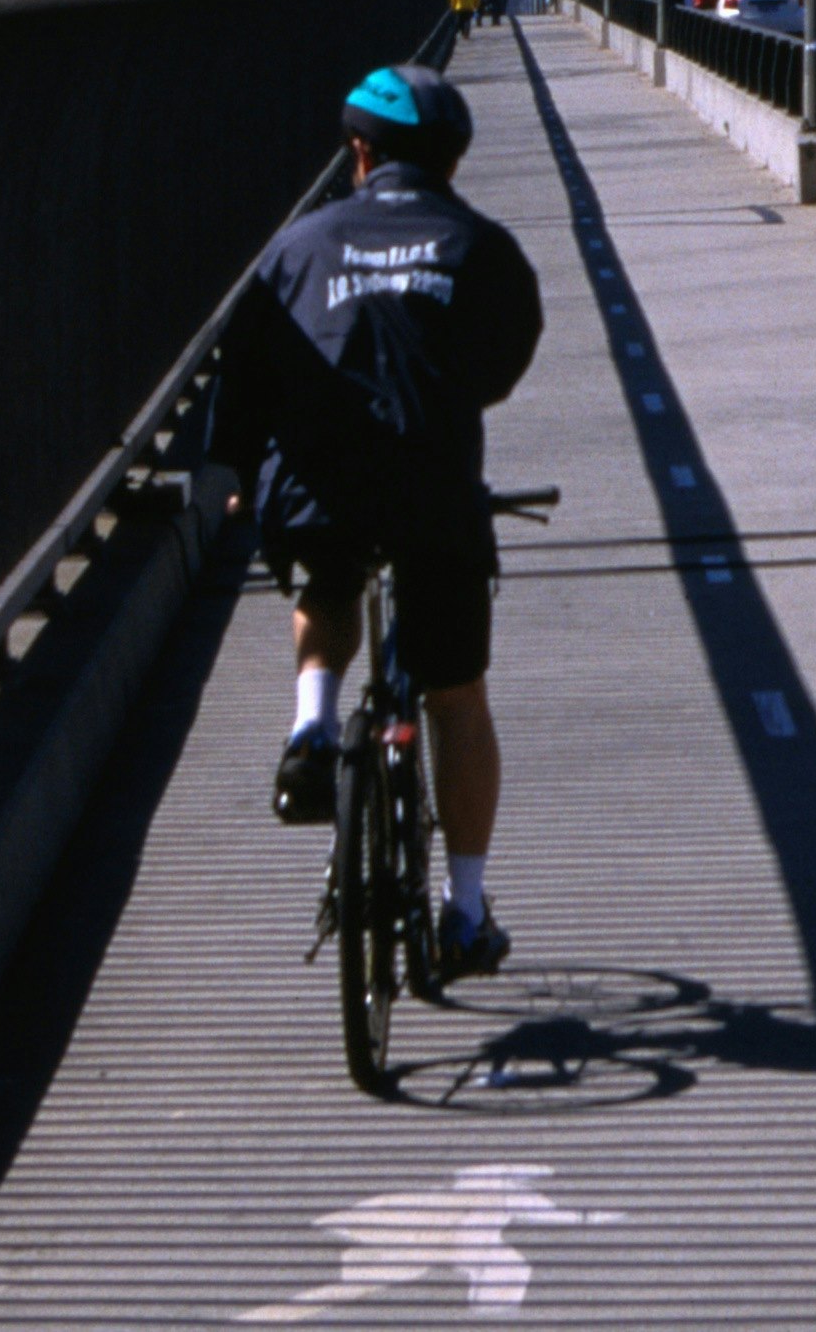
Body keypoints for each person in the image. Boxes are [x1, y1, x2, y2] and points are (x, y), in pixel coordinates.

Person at [209, 60, 543, 981]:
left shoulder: (299, 246)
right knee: (455, 695)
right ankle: (464, 913)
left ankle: (312, 729)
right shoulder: (481, 248)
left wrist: (232, 466)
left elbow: (248, 365)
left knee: (327, 567)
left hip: (319, 488)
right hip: (433, 490)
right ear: (451, 162)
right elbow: (505, 360)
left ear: (360, 152)